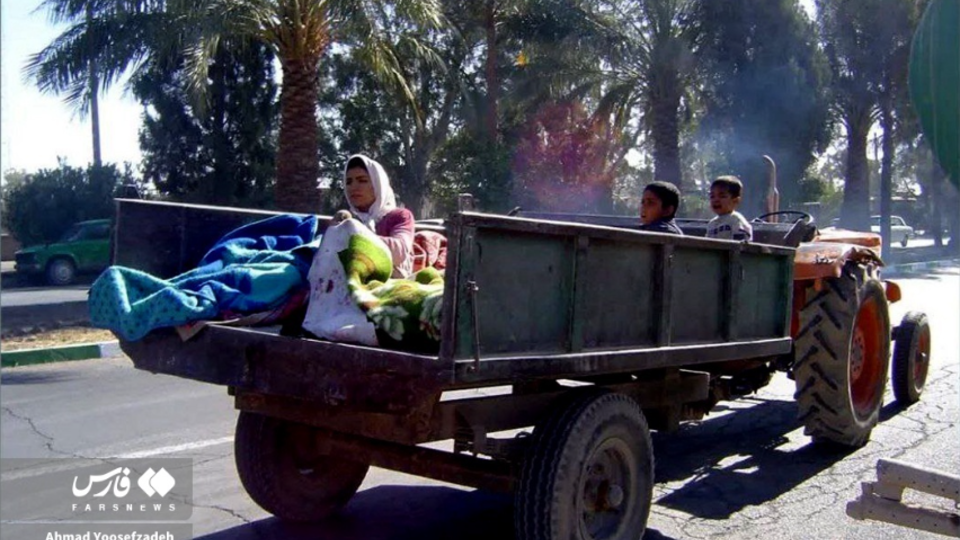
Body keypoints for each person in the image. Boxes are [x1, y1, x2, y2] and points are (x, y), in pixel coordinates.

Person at [332, 154, 415, 278]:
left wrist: (354, 234)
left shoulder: (399, 216)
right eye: (348, 182)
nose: (353, 187)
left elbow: (399, 252)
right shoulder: (347, 219)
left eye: (362, 180)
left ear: (377, 184)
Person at [706, 175, 753, 241]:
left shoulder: (736, 220)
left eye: (722, 196)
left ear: (735, 201)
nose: (716, 200)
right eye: (712, 196)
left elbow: (741, 245)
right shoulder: (711, 224)